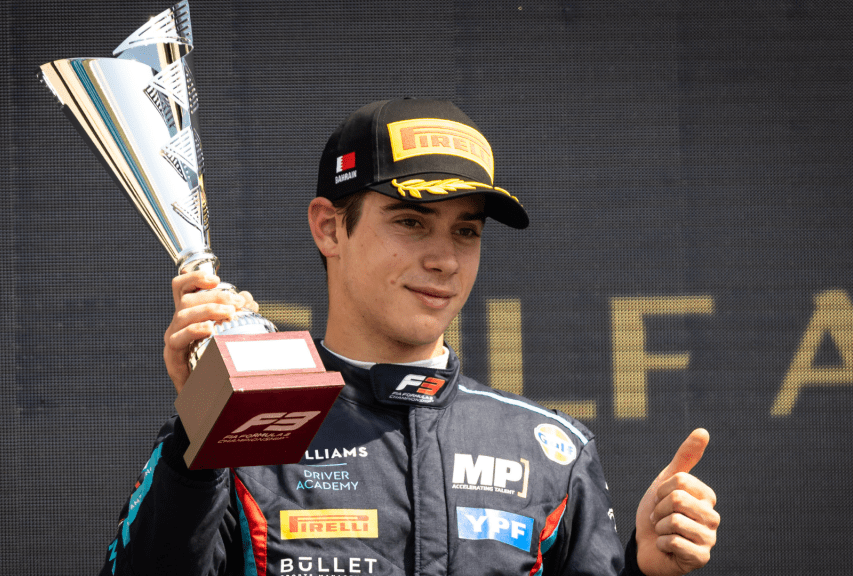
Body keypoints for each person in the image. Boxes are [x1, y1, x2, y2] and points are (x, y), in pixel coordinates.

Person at [102, 99, 719, 576]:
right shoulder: (249, 427)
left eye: (466, 232)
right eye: (411, 221)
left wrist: (645, 567)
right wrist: (204, 428)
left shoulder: (548, 449)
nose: (444, 259)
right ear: (328, 228)